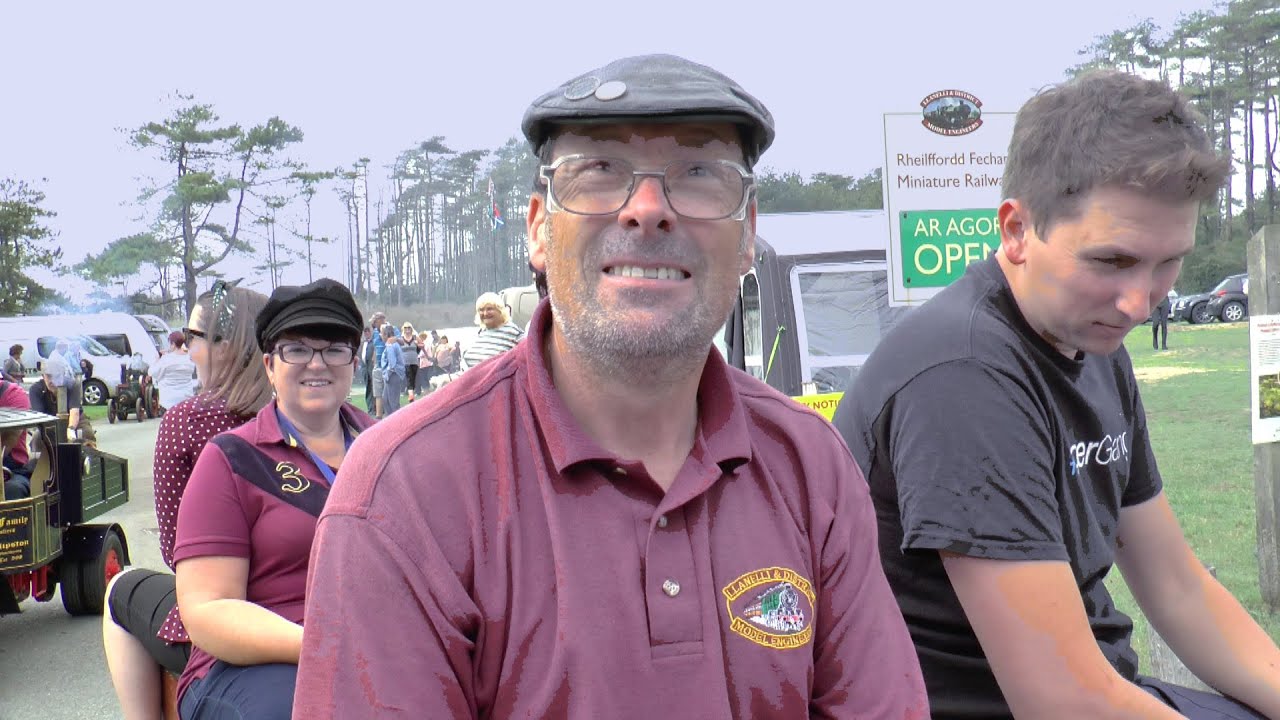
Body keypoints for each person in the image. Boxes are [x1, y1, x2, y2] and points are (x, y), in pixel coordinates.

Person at [294, 54, 927, 719]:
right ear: (538, 229)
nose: (647, 210)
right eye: (599, 170)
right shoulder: (406, 490)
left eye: (699, 173)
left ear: (747, 235)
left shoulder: (811, 465)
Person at [832, 70, 1280, 719]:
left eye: (1167, 262)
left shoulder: (1092, 344)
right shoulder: (963, 375)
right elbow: (1061, 700)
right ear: (1016, 230)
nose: (1139, 303)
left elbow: (1178, 588)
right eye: (1111, 261)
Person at [172, 278, 374, 719]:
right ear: (269, 365)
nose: (316, 363)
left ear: (353, 362)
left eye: (334, 349)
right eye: (296, 349)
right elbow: (208, 609)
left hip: (377, 647)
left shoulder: (389, 445)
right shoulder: (230, 459)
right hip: (255, 662)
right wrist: (324, 646)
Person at [102, 282, 272, 720]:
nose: (188, 349)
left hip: (223, 622)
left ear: (225, 345)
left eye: (193, 337)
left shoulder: (188, 421)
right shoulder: (300, 416)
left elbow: (176, 550)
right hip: (304, 607)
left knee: (118, 589)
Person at [460, 292, 525, 370]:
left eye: (489, 309)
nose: (485, 313)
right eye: (481, 310)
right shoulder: (481, 333)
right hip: (468, 375)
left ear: (500, 310)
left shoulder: (515, 333)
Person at [147, 330, 198, 413]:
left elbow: (152, 372)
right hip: (186, 398)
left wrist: (157, 360)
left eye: (170, 344)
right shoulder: (189, 358)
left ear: (173, 344)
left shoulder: (166, 359)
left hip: (168, 401)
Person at [378, 323, 405, 415]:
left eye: (381, 333)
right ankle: (389, 420)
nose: (380, 335)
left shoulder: (390, 345)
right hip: (391, 375)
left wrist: (387, 375)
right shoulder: (391, 344)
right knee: (386, 400)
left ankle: (398, 421)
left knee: (393, 403)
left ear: (386, 334)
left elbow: (392, 364)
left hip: (393, 375)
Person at [400, 322, 420, 402]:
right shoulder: (401, 339)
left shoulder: (415, 338)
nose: (407, 330)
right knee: (409, 377)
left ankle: (412, 393)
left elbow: (419, 348)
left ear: (411, 329)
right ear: (403, 329)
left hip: (414, 361)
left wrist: (417, 345)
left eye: (409, 328)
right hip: (405, 362)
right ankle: (411, 395)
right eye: (405, 328)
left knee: (414, 378)